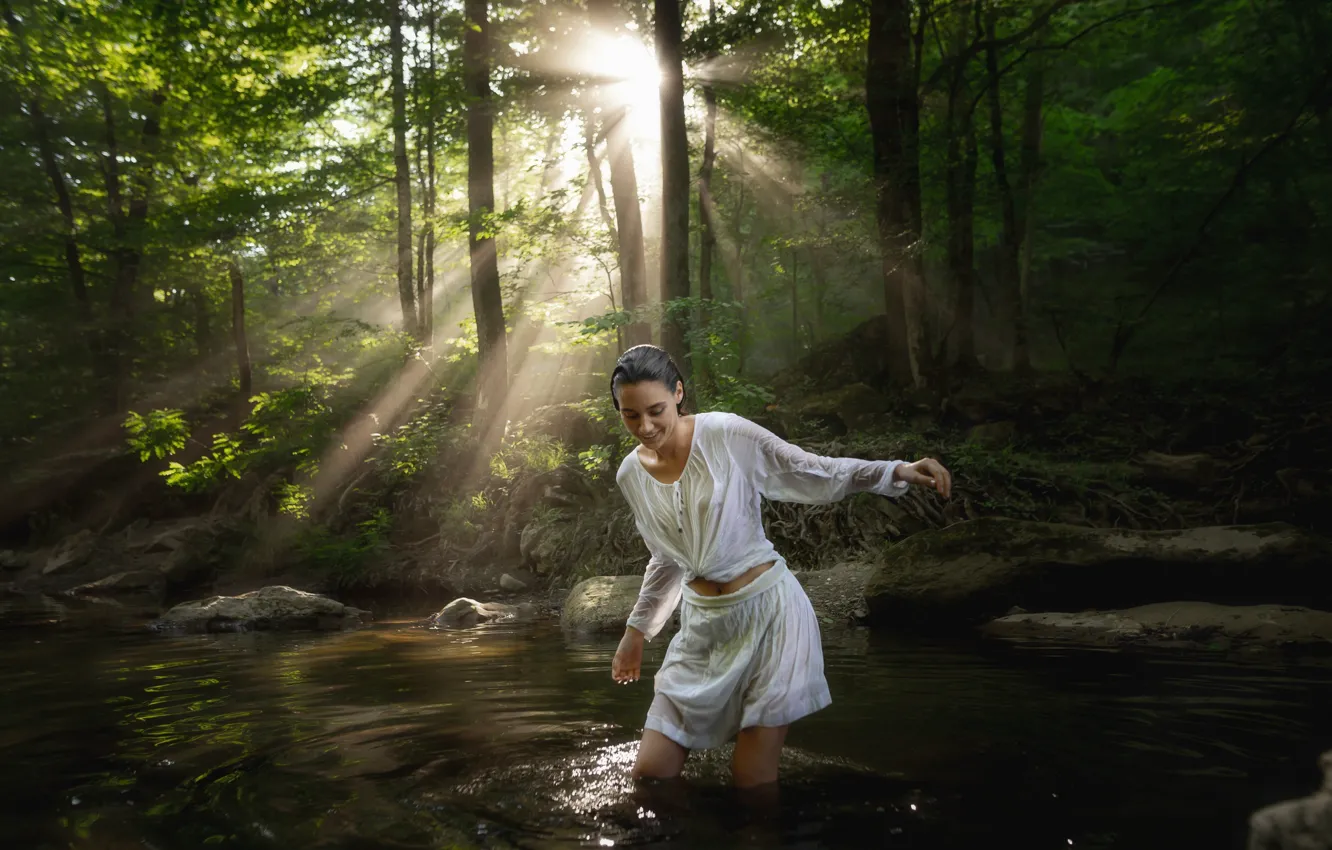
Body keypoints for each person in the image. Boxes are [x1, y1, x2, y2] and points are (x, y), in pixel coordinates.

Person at [608, 344, 952, 789]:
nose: (646, 426)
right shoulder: (630, 475)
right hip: (703, 628)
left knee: (750, 782)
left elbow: (808, 468)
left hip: (771, 616)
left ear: (678, 392)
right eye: (630, 415)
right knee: (651, 776)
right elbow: (667, 556)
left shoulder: (725, 434)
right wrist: (635, 634)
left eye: (655, 410)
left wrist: (897, 471)